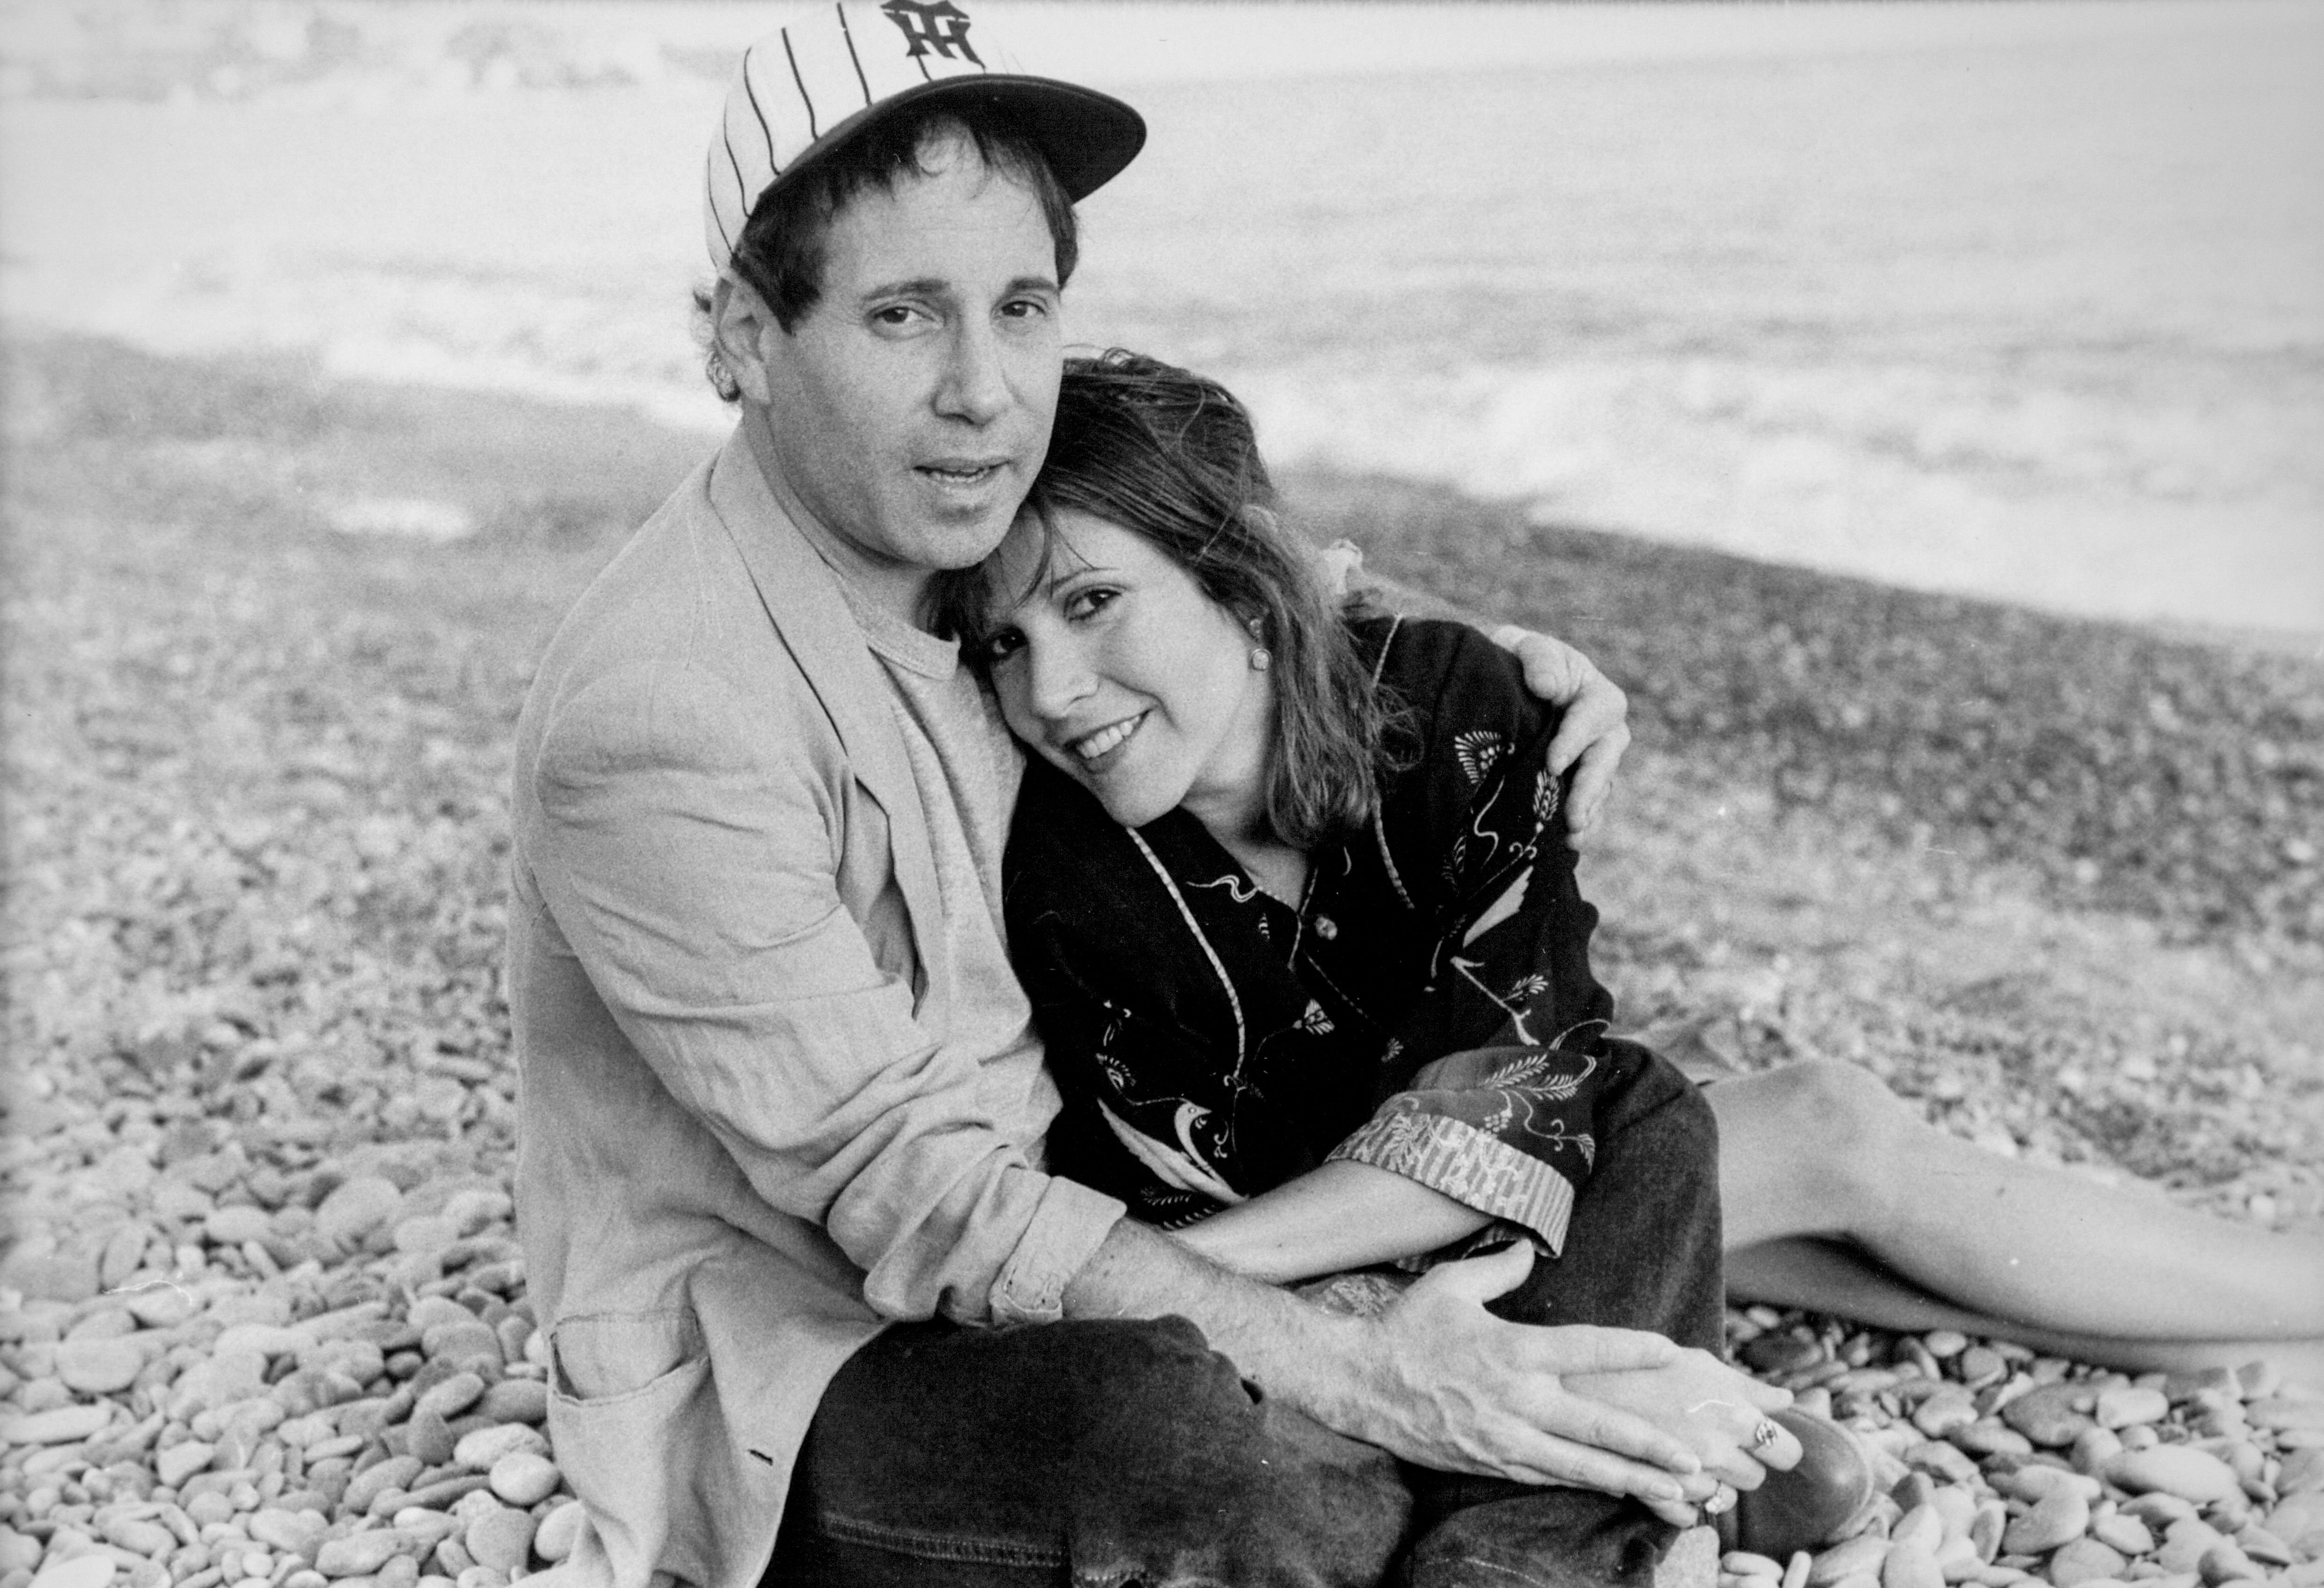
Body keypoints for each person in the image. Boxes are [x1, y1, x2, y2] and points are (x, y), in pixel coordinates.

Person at [507, 9, 1789, 1588]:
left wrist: (1498, 671)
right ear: (744, 340)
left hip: (1108, 1230)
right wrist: (1355, 1357)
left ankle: (1508, 1523)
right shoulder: (663, 714)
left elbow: (1202, 577)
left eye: (1021, 306)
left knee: (1634, 1113)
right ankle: (1582, 1476)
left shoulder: (951, 532)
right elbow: (903, 1196)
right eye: (903, 315)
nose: (985, 392)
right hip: (836, 1344)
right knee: (1186, 1433)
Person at [936, 350, 2324, 1434]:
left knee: (1808, 1156)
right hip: (1275, 1298)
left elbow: (1509, 1082)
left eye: (1092, 606)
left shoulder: (1459, 714)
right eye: (1004, 639)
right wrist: (1161, 1294)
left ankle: (2293, 1306)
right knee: (1822, 1138)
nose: (1048, 691)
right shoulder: (1031, 835)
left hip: (1417, 1212)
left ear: (1247, 586)